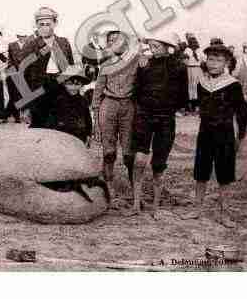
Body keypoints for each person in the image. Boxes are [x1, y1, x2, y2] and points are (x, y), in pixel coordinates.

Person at [181, 39, 247, 228]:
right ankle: (197, 209)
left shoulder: (233, 85)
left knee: (224, 174)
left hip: (225, 133)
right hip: (205, 132)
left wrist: (240, 137)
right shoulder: (202, 83)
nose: (213, 63)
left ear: (226, 62)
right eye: (210, 59)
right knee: (201, 171)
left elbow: (243, 114)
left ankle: (224, 213)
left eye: (218, 60)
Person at [128, 33, 189, 218]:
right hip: (144, 117)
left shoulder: (179, 67)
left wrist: (168, 107)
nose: (153, 50)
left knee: (159, 163)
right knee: (139, 160)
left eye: (157, 46)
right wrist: (143, 107)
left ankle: (156, 207)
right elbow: (136, 90)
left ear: (166, 46)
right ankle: (136, 204)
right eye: (151, 46)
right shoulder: (144, 65)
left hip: (165, 119)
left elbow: (183, 96)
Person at [92, 30, 141, 202]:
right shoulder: (106, 65)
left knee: (129, 152)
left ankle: (135, 190)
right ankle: (108, 187)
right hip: (109, 104)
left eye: (118, 39)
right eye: (111, 40)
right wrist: (96, 118)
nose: (115, 43)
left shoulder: (136, 61)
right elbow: (98, 91)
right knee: (109, 151)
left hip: (128, 105)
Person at [19, 7, 75, 128]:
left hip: (60, 87)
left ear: (55, 24)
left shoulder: (63, 43)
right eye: (41, 24)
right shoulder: (31, 44)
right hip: (38, 90)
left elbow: (71, 67)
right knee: (40, 126)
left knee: (60, 124)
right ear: (37, 26)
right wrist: (26, 104)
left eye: (48, 24)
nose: (44, 27)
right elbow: (22, 74)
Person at [48, 64, 92, 144]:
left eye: (77, 84)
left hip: (80, 136)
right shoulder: (58, 100)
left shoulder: (83, 101)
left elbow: (87, 118)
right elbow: (51, 118)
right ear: (64, 84)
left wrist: (88, 134)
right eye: (70, 84)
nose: (73, 87)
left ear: (81, 85)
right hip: (62, 135)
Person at [5, 32, 28, 123]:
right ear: (18, 36)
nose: (22, 38)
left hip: (24, 74)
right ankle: (14, 115)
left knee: (20, 95)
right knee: (14, 95)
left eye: (24, 36)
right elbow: (13, 59)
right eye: (20, 36)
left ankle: (8, 114)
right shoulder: (12, 45)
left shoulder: (29, 45)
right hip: (13, 73)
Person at [183, 33, 202, 114]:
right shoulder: (188, 50)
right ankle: (193, 107)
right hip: (191, 69)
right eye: (191, 41)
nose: (193, 42)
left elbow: (202, 60)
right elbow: (185, 60)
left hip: (196, 69)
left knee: (196, 87)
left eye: (193, 40)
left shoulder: (198, 50)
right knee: (192, 87)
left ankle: (196, 107)